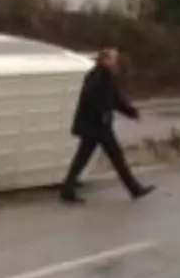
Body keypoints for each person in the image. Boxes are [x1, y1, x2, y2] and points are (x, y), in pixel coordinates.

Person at [59, 47, 155, 204]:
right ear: (105, 60)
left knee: (83, 159)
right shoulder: (99, 76)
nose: (116, 61)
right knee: (116, 158)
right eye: (113, 58)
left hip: (96, 126)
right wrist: (103, 112)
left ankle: (67, 189)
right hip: (97, 126)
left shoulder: (102, 75)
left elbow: (115, 100)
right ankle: (134, 189)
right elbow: (93, 98)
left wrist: (131, 112)